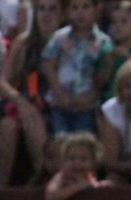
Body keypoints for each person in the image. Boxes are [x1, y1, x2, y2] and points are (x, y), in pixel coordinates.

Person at [0, 0, 63, 183]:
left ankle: (44, 178)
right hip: (24, 103)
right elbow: (2, 81)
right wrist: (19, 101)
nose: (46, 15)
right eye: (41, 9)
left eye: (53, 10)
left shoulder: (68, 43)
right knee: (7, 126)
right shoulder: (24, 42)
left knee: (34, 120)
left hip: (56, 106)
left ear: (62, 14)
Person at [40, 0, 112, 134]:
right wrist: (58, 91)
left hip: (87, 105)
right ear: (67, 12)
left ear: (96, 9)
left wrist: (93, 94)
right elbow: (48, 63)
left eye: (85, 7)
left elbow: (106, 70)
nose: (80, 13)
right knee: (61, 139)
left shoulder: (104, 41)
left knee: (82, 139)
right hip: (60, 103)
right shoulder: (59, 37)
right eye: (74, 8)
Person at [44, 126, 105, 197]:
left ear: (94, 162)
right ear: (64, 160)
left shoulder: (91, 178)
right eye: (72, 159)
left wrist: (101, 185)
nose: (77, 163)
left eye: (83, 159)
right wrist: (78, 187)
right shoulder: (62, 177)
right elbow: (50, 195)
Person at [99, 61, 131, 183]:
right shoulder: (112, 109)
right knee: (112, 180)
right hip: (123, 171)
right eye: (127, 86)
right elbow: (109, 162)